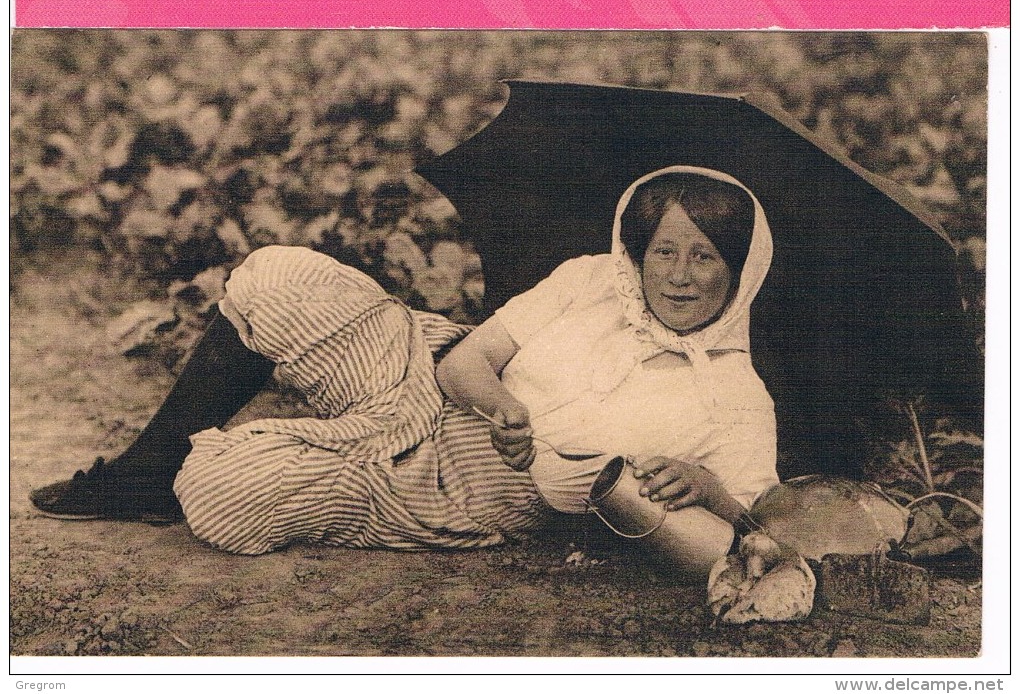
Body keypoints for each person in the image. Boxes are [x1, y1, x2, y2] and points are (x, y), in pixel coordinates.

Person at [30, 165, 778, 571]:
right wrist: (501, 408)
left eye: (705, 255)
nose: (678, 276)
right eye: (664, 252)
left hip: (467, 486)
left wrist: (707, 487)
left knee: (220, 491)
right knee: (273, 275)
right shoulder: (590, 279)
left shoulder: (737, 394)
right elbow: (471, 359)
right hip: (432, 371)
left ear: (738, 271)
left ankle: (298, 451)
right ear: (638, 253)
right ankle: (144, 469)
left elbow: (758, 526)